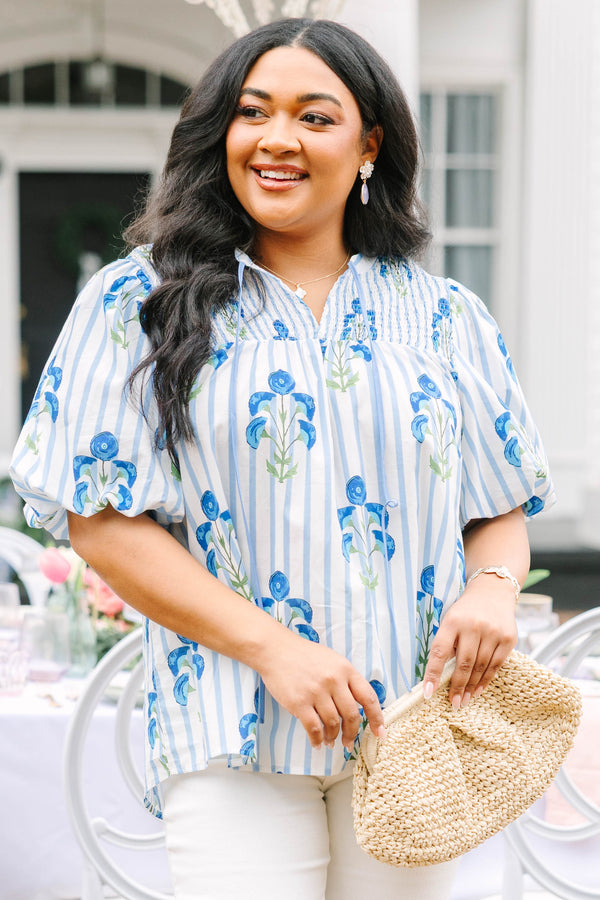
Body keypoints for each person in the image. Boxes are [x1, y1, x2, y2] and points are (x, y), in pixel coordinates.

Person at [10, 17, 555, 900]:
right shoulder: (136, 301)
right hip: (233, 729)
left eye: (315, 116)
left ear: (370, 144)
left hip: (414, 729)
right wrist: (277, 653)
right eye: (253, 111)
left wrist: (492, 589)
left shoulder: (445, 316)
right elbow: (101, 522)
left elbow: (497, 502)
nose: (276, 138)